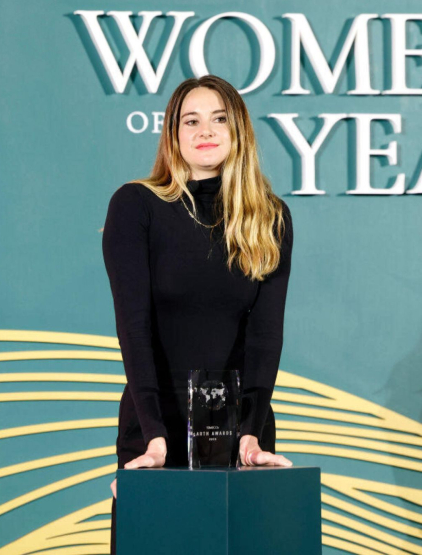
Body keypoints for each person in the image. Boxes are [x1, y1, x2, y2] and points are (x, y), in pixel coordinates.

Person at [102, 74, 294, 555]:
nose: (204, 129)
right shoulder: (136, 206)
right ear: (173, 133)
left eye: (218, 119)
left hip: (240, 436)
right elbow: (134, 328)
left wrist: (250, 431)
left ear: (238, 132)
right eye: (191, 119)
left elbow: (265, 336)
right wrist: (153, 436)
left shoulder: (269, 217)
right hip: (155, 430)